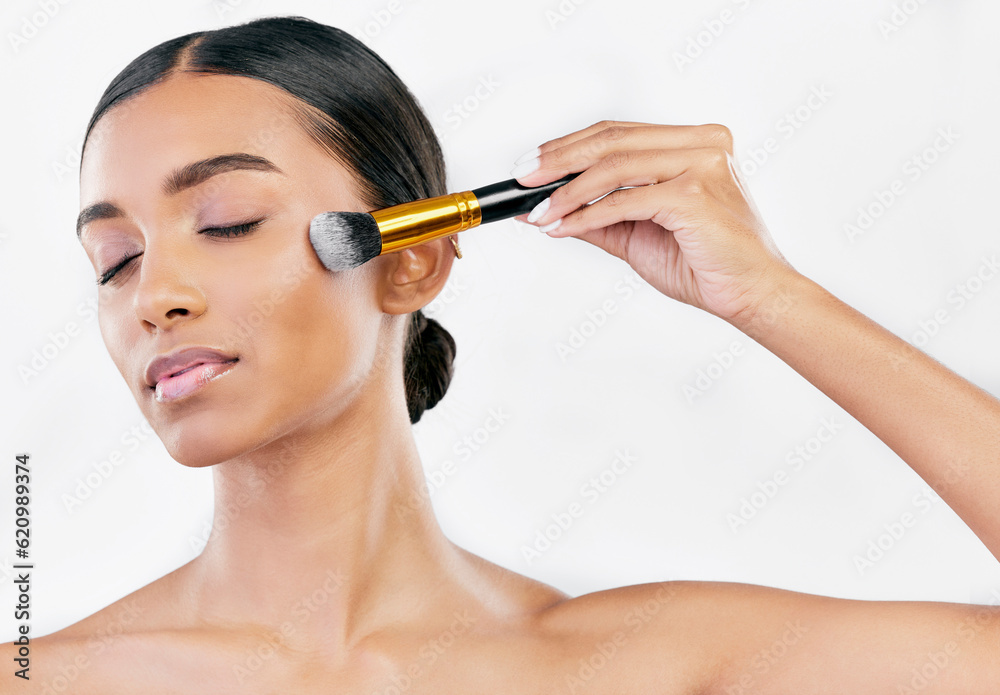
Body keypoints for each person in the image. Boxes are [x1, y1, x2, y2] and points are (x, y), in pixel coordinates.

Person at [5, 13, 999, 694]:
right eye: (115, 258)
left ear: (409, 264)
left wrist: (772, 296)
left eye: (227, 220)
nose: (153, 295)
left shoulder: (639, 663)